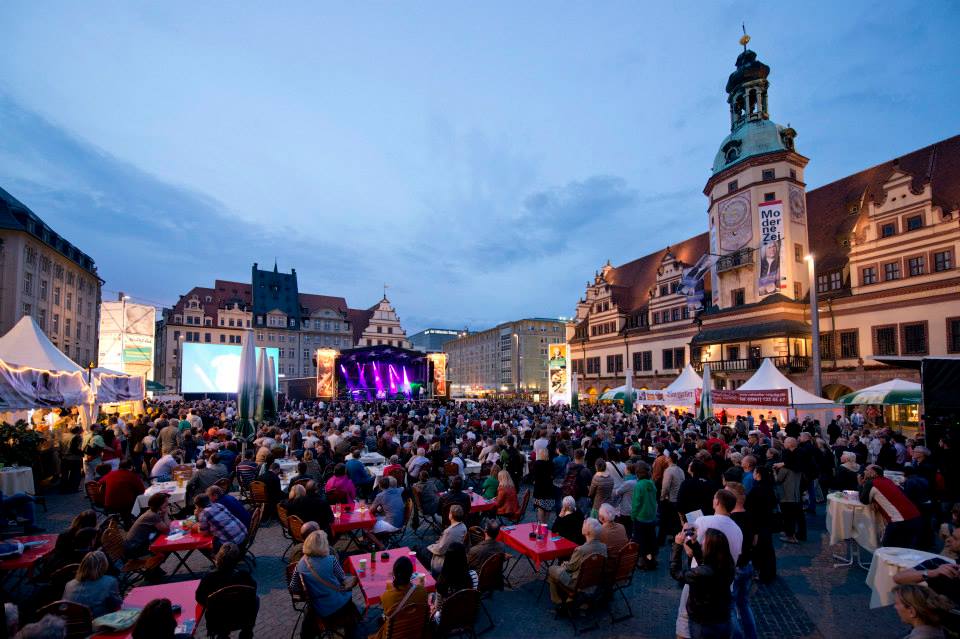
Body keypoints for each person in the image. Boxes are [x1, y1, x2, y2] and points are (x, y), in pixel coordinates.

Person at [290, 530, 360, 639]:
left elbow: (293, 587)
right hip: (338, 608)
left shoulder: (300, 565)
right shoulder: (331, 560)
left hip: (318, 609)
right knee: (348, 599)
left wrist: (307, 590)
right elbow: (343, 580)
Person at [671, 527, 736, 639]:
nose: (702, 543)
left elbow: (676, 573)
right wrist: (694, 544)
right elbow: (706, 562)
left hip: (703, 623)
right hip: (723, 619)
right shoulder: (728, 564)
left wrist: (677, 545)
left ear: (710, 548)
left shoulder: (701, 573)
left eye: (704, 541)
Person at [195, 542, 258, 639]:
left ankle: (222, 634)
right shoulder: (244, 576)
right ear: (237, 560)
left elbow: (199, 597)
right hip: (241, 617)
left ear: (218, 557)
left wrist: (212, 605)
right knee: (256, 599)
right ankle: (247, 631)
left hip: (218, 620)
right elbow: (253, 590)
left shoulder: (209, 577)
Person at [547, 518, 607, 610]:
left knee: (551, 569)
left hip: (577, 583)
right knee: (555, 574)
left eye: (584, 525)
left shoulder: (581, 550)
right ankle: (570, 600)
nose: (582, 526)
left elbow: (570, 568)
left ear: (587, 532)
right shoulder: (603, 547)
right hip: (593, 581)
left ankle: (560, 602)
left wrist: (565, 565)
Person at [859, 465, 923, 548]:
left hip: (899, 520)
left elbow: (864, 500)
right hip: (915, 516)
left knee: (889, 549)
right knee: (905, 550)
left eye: (866, 470)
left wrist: (860, 485)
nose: (864, 472)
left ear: (873, 472)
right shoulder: (888, 481)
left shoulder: (871, 483)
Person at [725, 482, 757, 639]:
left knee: (730, 608)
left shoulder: (731, 521)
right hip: (747, 565)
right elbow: (755, 541)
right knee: (744, 604)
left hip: (735, 568)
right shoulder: (750, 516)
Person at [62, 550, 122, 618]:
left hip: (73, 625)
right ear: (103, 566)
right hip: (99, 624)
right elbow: (116, 605)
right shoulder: (110, 582)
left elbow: (63, 609)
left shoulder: (69, 585)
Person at [744, 466, 778, 584]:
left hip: (758, 522)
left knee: (760, 549)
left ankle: (764, 573)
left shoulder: (756, 489)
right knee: (768, 547)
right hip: (767, 520)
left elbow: (749, 507)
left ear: (758, 474)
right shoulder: (768, 487)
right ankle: (770, 572)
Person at [430, 542, 478, 625]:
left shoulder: (442, 582)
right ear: (464, 557)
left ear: (447, 558)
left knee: (430, 596)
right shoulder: (473, 575)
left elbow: (438, 608)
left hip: (446, 621)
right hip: (466, 614)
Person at [378, 556, 429, 633]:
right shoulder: (422, 591)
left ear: (394, 574)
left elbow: (386, 616)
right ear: (411, 574)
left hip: (395, 634)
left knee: (380, 620)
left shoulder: (386, 596)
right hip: (416, 633)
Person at [774, 442, 805, 544]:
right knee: (794, 515)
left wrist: (774, 471)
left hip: (786, 494)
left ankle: (790, 536)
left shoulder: (785, 468)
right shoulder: (799, 467)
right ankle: (793, 534)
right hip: (795, 493)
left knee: (787, 516)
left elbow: (778, 480)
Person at [125, 492, 171, 559]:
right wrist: (166, 512)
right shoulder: (152, 515)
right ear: (159, 505)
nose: (168, 503)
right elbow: (166, 530)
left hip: (135, 544)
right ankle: (153, 568)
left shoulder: (152, 512)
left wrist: (164, 513)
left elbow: (166, 527)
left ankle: (155, 567)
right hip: (135, 549)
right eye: (166, 502)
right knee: (167, 547)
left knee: (165, 543)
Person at [630, 461, 658, 570]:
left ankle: (643, 562)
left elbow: (636, 503)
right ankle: (652, 560)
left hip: (641, 517)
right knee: (651, 540)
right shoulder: (651, 483)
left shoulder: (639, 485)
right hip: (651, 517)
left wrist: (633, 516)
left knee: (641, 542)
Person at [426, 504, 467, 575]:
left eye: (449, 512)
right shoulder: (463, 526)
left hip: (445, 560)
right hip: (455, 556)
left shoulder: (449, 531)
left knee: (419, 550)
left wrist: (430, 547)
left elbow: (440, 550)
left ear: (451, 515)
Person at [660, 452, 685, 544]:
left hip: (671, 499)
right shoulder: (681, 470)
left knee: (665, 520)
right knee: (676, 521)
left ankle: (662, 540)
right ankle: (675, 538)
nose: (665, 458)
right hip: (679, 498)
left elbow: (665, 487)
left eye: (667, 457)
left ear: (670, 459)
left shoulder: (669, 471)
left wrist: (662, 497)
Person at [532, 448, 555, 523]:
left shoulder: (536, 464)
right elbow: (553, 476)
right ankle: (545, 524)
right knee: (548, 508)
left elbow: (534, 476)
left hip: (539, 489)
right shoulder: (551, 463)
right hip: (549, 488)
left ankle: (542, 524)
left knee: (540, 508)